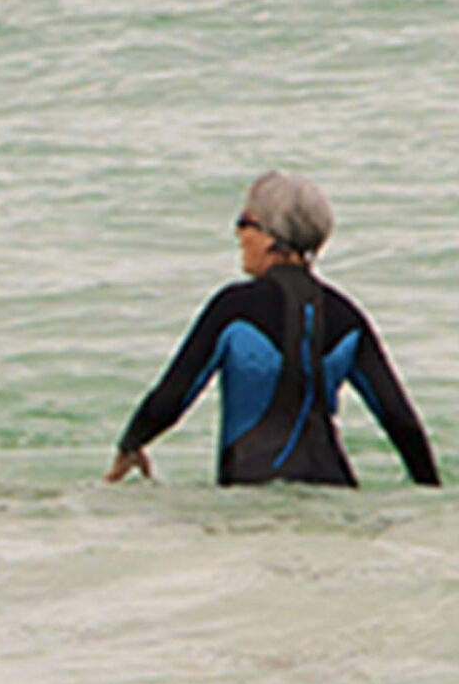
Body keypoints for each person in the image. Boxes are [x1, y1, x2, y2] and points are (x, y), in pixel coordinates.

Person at [107, 171, 439, 488]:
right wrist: (434, 496)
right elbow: (400, 421)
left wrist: (131, 445)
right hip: (335, 495)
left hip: (253, 499)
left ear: (270, 236)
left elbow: (172, 396)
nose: (238, 233)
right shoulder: (346, 315)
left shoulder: (234, 308)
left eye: (244, 223)